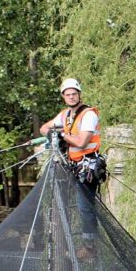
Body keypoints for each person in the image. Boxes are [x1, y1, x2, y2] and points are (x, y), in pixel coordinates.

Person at [39, 77, 103, 247]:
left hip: (88, 166)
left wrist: (62, 135)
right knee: (66, 205)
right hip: (73, 166)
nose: (71, 97)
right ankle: (70, 245)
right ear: (63, 96)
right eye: (68, 95)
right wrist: (52, 134)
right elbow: (44, 128)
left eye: (74, 94)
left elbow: (81, 142)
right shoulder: (65, 115)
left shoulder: (88, 115)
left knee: (85, 207)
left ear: (79, 94)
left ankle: (89, 247)